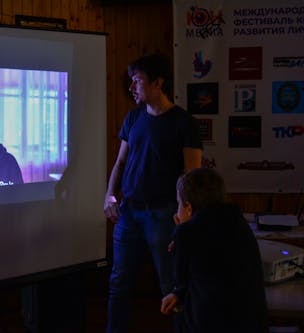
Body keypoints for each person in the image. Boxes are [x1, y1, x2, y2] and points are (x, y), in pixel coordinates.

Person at [103, 53, 203, 333]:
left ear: (158, 83)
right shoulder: (133, 117)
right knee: (118, 282)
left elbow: (191, 176)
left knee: (171, 286)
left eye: (137, 81)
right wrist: (109, 195)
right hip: (129, 212)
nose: (132, 87)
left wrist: (183, 216)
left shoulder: (184, 123)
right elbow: (120, 163)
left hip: (164, 213)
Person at [161, 168, 268, 333]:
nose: (177, 211)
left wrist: (179, 235)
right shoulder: (239, 222)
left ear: (189, 207)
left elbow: (181, 279)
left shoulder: (187, 231)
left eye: (179, 204)